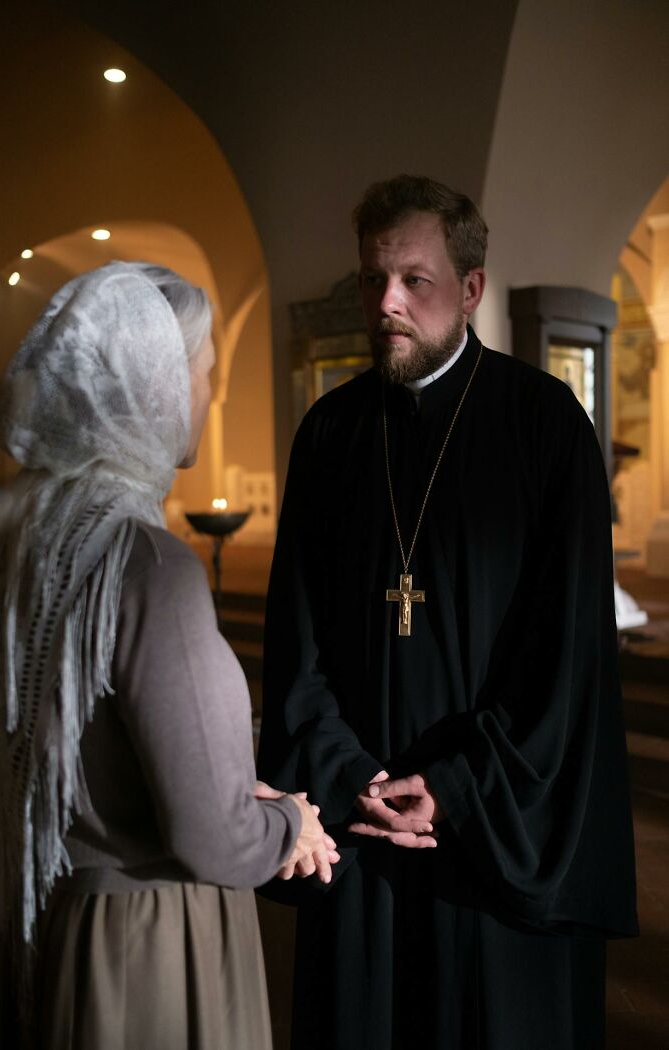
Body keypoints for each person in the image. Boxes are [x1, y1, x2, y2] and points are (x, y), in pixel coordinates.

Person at [257, 175, 638, 1050]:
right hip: (359, 828)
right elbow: (295, 646)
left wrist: (458, 788)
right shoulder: (330, 435)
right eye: (372, 278)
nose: (386, 302)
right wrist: (349, 774)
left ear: (470, 288)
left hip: (491, 835)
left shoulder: (545, 426)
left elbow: (568, 660)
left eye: (413, 280)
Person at [0, 261, 337, 1050]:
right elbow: (213, 837)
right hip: (149, 939)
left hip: (62, 916)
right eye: (203, 371)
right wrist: (289, 822)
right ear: (154, 386)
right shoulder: (147, 562)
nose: (209, 393)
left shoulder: (28, 544)